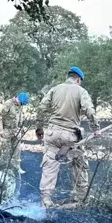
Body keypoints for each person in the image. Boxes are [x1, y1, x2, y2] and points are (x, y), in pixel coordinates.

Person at [36, 66, 99, 208]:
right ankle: (80, 198)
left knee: (50, 164)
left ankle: (46, 199)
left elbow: (41, 108)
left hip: (51, 133)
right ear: (78, 79)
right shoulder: (81, 91)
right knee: (80, 164)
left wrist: (39, 130)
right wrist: (96, 129)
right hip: (70, 136)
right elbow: (89, 110)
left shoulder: (54, 89)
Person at [0, 92, 30, 173]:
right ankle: (5, 169)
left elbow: (19, 117)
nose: (21, 105)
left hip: (16, 131)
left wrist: (21, 127)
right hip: (6, 131)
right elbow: (0, 116)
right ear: (18, 99)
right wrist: (0, 130)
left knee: (17, 150)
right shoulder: (8, 104)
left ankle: (16, 168)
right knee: (6, 151)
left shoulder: (20, 106)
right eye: (21, 103)